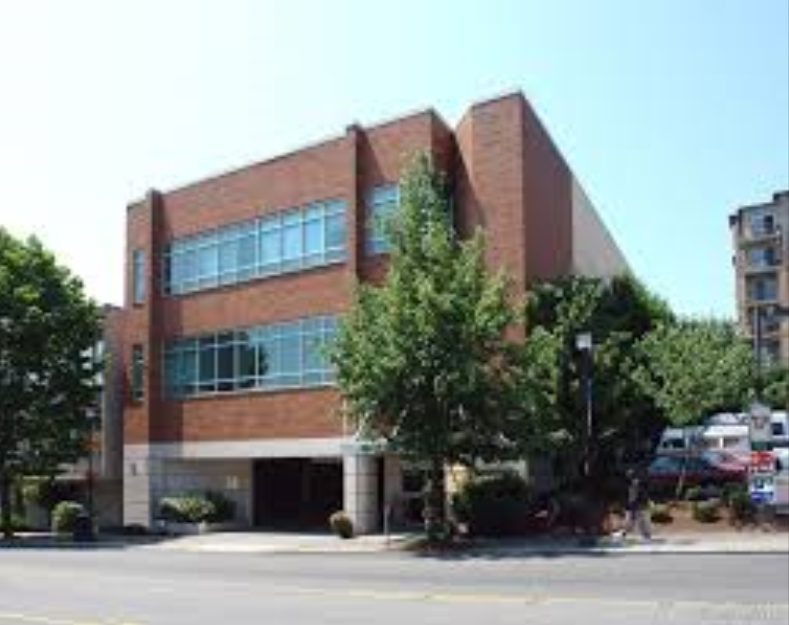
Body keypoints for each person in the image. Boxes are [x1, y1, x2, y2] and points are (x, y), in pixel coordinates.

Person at [618, 469, 652, 541]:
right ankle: (624, 533)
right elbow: (631, 496)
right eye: (628, 475)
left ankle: (646, 535)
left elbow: (637, 495)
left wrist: (635, 503)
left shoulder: (636, 483)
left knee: (641, 519)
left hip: (639, 504)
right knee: (630, 519)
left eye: (629, 475)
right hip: (635, 504)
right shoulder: (631, 484)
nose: (628, 477)